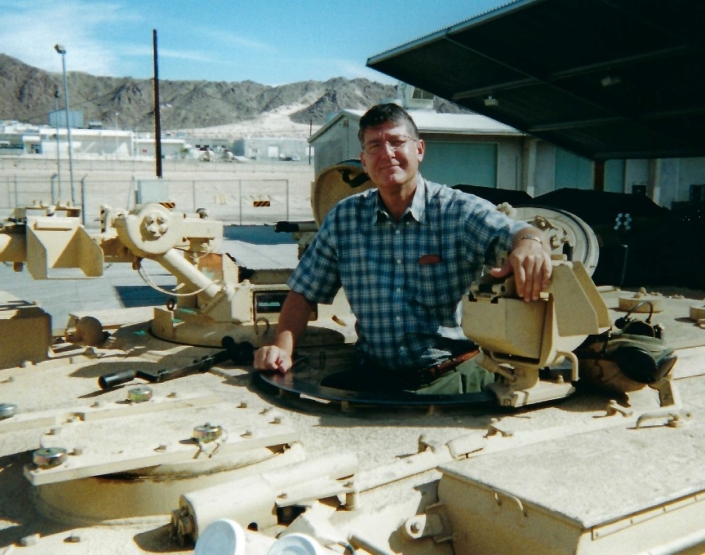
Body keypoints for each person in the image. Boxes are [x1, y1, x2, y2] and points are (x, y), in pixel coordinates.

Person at [254, 103, 552, 393]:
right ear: (364, 160)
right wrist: (282, 348)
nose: (387, 154)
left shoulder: (458, 211)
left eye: (397, 142)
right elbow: (304, 292)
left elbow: (520, 232)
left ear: (419, 149)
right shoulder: (345, 219)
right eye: (375, 146)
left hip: (451, 378)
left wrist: (531, 243)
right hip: (374, 377)